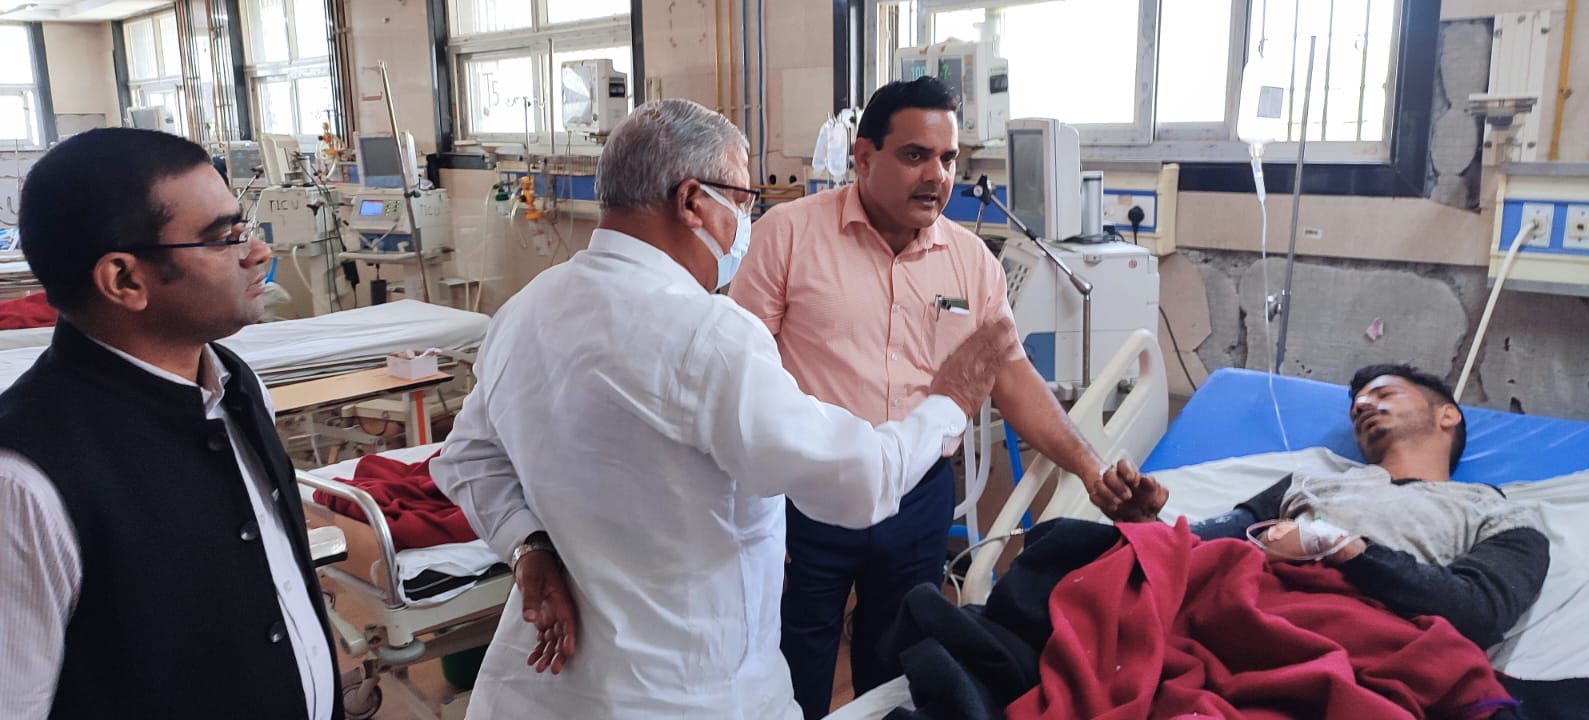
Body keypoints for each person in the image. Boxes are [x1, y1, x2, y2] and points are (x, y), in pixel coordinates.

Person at [430, 98, 1014, 718]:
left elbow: (466, 457)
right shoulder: (705, 335)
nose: (746, 222)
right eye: (741, 200)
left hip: (545, 691)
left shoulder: (527, 308)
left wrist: (527, 547)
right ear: (691, 201)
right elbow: (860, 480)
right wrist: (949, 402)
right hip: (685, 692)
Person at [725, 76, 1166, 716]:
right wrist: (755, 507)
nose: (937, 175)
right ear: (864, 157)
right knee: (795, 661)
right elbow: (743, 377)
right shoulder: (788, 236)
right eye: (915, 155)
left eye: (948, 158)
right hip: (809, 495)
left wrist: (1091, 470)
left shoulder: (971, 263)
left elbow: (1011, 377)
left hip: (917, 497)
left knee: (900, 667)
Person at [0, 128, 342, 718]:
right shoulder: (26, 483)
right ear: (125, 280)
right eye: (223, 238)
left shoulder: (236, 387)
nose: (257, 253)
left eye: (245, 228)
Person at [1174, 363, 1551, 649]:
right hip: (1242, 617)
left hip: (1363, 643)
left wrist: (1336, 544)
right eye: (1357, 408)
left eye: (1385, 394)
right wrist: (1149, 524)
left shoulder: (1498, 513)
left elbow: (1479, 612)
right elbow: (1213, 539)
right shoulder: (1309, 482)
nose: (1364, 405)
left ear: (1448, 415)